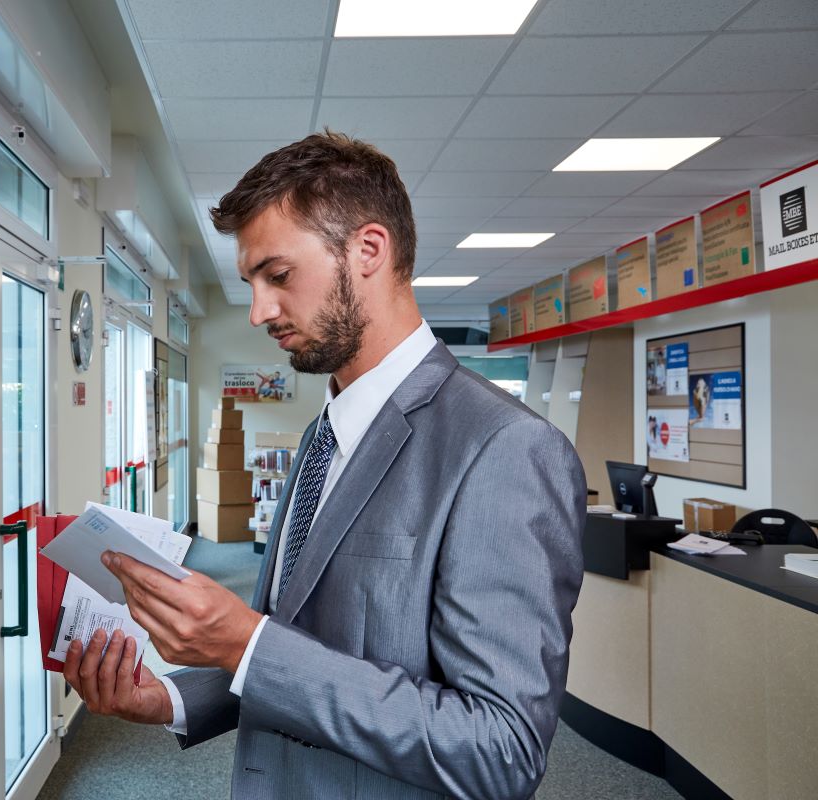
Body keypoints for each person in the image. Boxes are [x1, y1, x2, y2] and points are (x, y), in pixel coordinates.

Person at [64, 131, 585, 799]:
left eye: (278, 276)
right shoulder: (322, 437)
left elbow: (499, 748)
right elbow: (297, 651)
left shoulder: (506, 449)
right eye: (251, 283)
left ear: (368, 250)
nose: (259, 311)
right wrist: (168, 699)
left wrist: (248, 644)